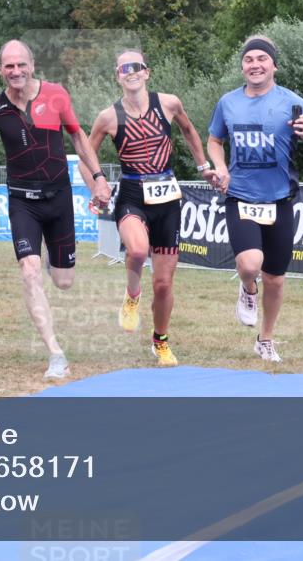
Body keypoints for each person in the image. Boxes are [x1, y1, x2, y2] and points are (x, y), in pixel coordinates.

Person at [0, 39, 112, 379]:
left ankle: (56, 257)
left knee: (64, 281)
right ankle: (56, 354)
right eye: (9, 66)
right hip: (23, 202)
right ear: (0, 71)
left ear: (32, 65)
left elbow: (79, 138)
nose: (16, 71)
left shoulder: (56, 95)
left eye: (21, 64)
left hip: (59, 199)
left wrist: (98, 178)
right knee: (29, 271)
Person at [81, 49, 217, 367]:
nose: (131, 72)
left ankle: (160, 341)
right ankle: (132, 295)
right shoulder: (108, 117)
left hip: (168, 195)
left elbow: (189, 130)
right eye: (124, 68)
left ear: (147, 72)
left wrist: (203, 166)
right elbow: (86, 155)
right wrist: (97, 185)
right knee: (139, 251)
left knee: (164, 282)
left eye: (136, 66)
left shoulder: (169, 103)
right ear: (118, 75)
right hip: (132, 192)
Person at [207, 35, 303, 363]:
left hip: (279, 198)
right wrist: (221, 167)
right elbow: (214, 140)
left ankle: (265, 338)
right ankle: (248, 289)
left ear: (274, 65)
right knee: (250, 264)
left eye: (262, 59)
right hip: (240, 195)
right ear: (242, 67)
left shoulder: (292, 102)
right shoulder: (228, 102)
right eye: (248, 59)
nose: (255, 65)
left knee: (276, 278)